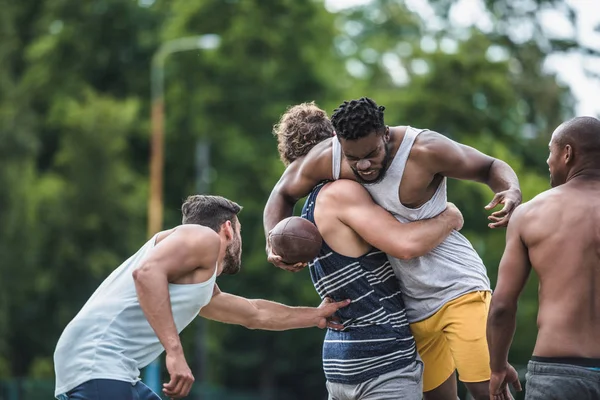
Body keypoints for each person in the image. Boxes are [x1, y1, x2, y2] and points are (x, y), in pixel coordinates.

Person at [264, 98, 522, 400]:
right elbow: (282, 192)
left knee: (485, 390)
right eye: (353, 158)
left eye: (371, 154)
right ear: (338, 142)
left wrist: (510, 188)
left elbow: (489, 165)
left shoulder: (424, 149)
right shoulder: (330, 158)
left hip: (456, 288)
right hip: (410, 304)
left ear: (385, 134)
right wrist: (273, 241)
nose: (363, 165)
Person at [53, 194, 349, 400]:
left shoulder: (196, 279)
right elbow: (145, 274)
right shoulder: (203, 237)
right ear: (227, 230)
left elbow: (253, 314)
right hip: (97, 362)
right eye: (241, 233)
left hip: (101, 364)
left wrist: (314, 315)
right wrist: (175, 353)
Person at [487, 116, 600, 400]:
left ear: (567, 153)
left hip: (558, 373)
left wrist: (497, 366)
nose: (548, 161)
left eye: (551, 151)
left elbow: (501, 306)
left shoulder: (531, 213)